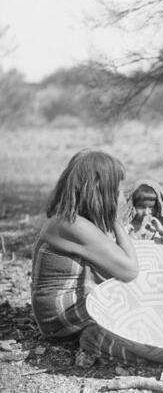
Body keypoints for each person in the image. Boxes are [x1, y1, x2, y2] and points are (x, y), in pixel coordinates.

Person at [30, 150, 141, 365]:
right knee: (140, 323)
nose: (121, 197)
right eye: (117, 191)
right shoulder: (71, 225)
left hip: (61, 312)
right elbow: (130, 271)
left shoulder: (70, 219)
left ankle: (97, 334)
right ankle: (93, 338)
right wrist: (116, 221)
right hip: (59, 320)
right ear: (101, 192)